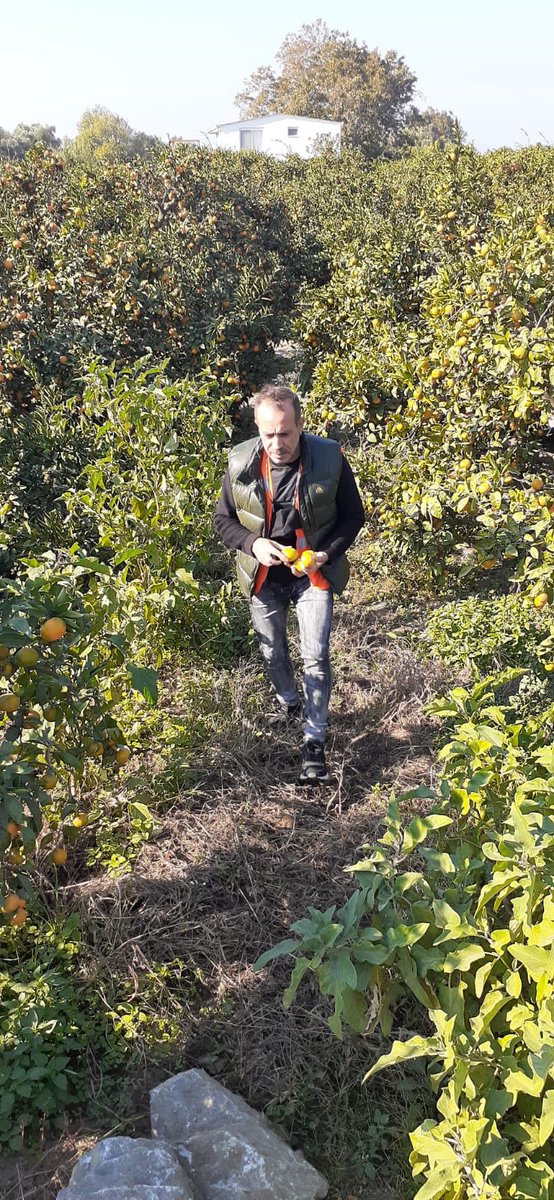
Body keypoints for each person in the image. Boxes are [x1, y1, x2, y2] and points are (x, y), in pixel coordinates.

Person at [214, 384, 365, 784]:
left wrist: (324, 554)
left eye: (285, 433)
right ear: (257, 430)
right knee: (273, 653)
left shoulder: (329, 458)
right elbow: (223, 521)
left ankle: (314, 740)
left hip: (311, 572)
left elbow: (353, 516)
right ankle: (290, 702)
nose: (277, 443)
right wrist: (252, 543)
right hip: (263, 575)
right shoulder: (241, 462)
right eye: (268, 434)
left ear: (300, 425)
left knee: (316, 658)